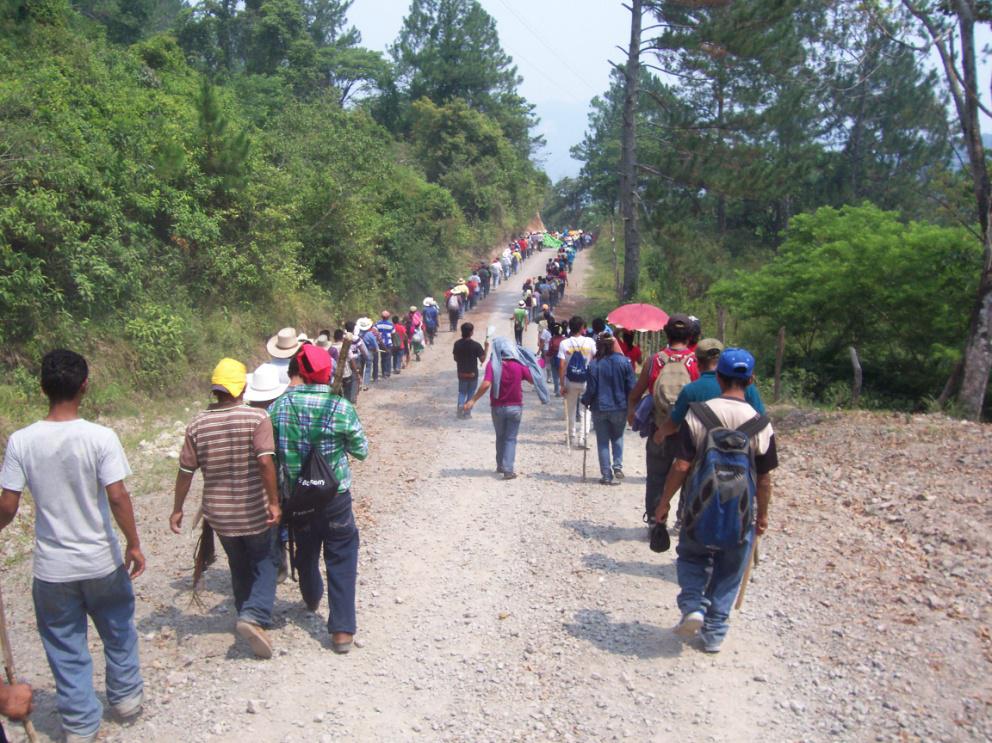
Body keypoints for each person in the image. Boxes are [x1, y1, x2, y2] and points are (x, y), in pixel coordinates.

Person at [0, 350, 145, 743]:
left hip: (52, 569)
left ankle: (80, 724)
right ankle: (127, 698)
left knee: (65, 644)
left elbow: (8, 506)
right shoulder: (101, 437)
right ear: (85, 386)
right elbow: (117, 496)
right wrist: (133, 543)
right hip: (100, 560)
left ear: (42, 388)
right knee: (117, 629)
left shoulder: (21, 442)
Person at [654, 348, 777, 653]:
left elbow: (681, 465)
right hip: (741, 511)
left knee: (692, 557)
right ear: (750, 380)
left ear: (718, 377)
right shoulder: (761, 423)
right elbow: (764, 479)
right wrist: (761, 516)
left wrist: (664, 502)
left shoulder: (699, 413)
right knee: (730, 568)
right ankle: (715, 632)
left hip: (699, 505)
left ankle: (694, 605)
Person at [171, 359, 281, 659]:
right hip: (253, 507)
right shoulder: (257, 418)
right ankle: (254, 615)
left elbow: (185, 471)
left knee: (238, 562)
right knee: (265, 560)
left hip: (218, 513)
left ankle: (245, 612)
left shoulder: (197, 424)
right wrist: (273, 501)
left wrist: (177, 508)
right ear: (243, 387)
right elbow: (264, 462)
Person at [269, 345, 369, 654]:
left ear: (299, 370)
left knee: (305, 551)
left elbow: (270, 455)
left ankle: (311, 597)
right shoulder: (340, 407)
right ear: (326, 371)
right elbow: (361, 450)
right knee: (341, 555)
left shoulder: (279, 406)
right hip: (334, 496)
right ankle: (341, 631)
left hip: (297, 498)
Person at [626, 314, 700, 524]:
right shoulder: (696, 363)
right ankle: (682, 518)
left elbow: (634, 395)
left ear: (667, 333)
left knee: (656, 478)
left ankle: (655, 520)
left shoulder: (654, 360)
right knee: (687, 477)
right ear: (690, 336)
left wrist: (632, 414)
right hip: (689, 434)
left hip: (659, 431)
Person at [464, 337, 549, 479]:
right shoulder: (519, 365)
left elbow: (486, 384)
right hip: (515, 408)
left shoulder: (493, 364)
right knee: (510, 438)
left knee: (500, 436)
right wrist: (537, 363)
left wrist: (473, 400)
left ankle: (500, 465)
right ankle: (508, 469)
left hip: (497, 407)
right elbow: (532, 379)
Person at [581, 333, 637, 485]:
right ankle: (617, 466)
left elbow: (591, 389)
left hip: (599, 407)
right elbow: (632, 387)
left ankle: (606, 475)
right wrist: (632, 406)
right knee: (618, 437)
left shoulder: (594, 364)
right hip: (620, 407)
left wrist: (585, 400)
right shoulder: (625, 362)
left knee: (603, 441)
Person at [558, 316, 597, 448]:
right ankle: (583, 439)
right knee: (586, 410)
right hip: (586, 380)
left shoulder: (564, 343)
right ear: (582, 328)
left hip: (570, 380)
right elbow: (596, 359)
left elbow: (562, 365)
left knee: (571, 409)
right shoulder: (590, 342)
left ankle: (570, 436)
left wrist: (562, 384)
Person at [453, 323, 489, 418]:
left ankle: (460, 406)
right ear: (471, 332)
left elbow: (455, 358)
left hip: (461, 374)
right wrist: (486, 348)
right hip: (472, 374)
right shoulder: (476, 345)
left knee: (462, 392)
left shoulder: (457, 344)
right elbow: (482, 359)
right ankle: (467, 413)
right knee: (470, 393)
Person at [357, 317, 378, 387]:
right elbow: (375, 345)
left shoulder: (359, 334)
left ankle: (359, 383)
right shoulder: (370, 334)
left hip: (360, 352)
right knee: (368, 368)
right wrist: (376, 349)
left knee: (361, 368)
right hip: (369, 351)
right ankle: (365, 384)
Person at [375, 311, 394, 378]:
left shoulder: (377, 324)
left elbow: (375, 333)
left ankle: (383, 372)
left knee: (382, 358)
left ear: (381, 317)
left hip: (380, 343)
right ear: (388, 317)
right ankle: (387, 372)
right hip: (388, 342)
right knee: (388, 357)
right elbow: (393, 333)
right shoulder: (391, 324)